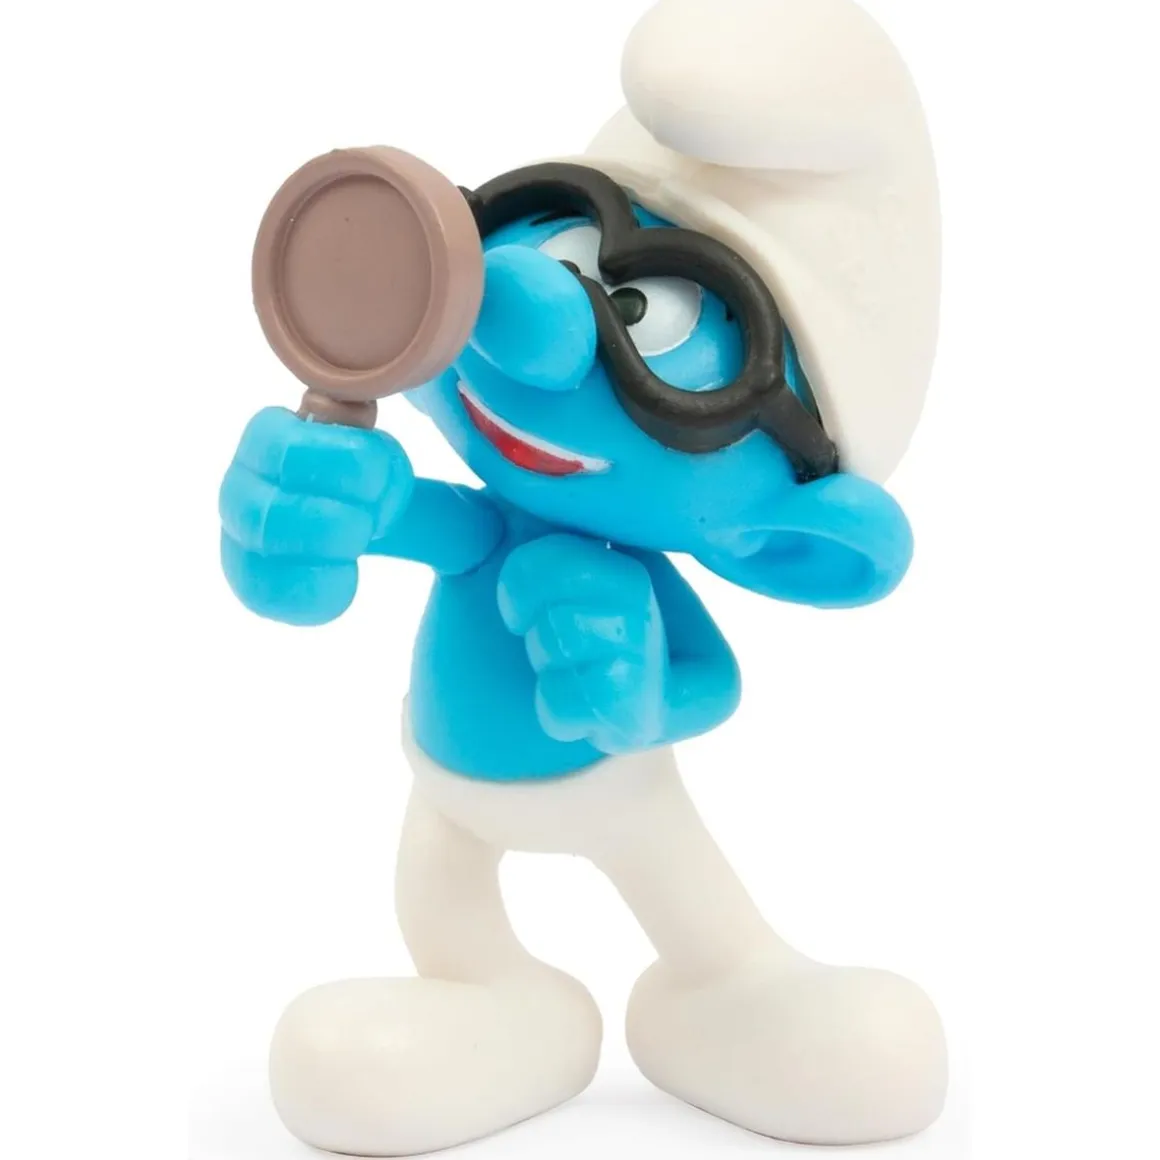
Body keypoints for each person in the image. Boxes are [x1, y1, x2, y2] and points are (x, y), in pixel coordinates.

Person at [218, 0, 946, 1151]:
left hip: (622, 790)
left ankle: (730, 987)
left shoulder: (632, 579)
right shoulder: (487, 523)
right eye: (552, 234)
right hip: (445, 783)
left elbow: (709, 681)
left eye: (642, 309)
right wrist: (311, 521)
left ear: (791, 540)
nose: (525, 312)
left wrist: (638, 697)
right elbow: (405, 523)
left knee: (716, 933)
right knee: (418, 950)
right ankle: (487, 995)